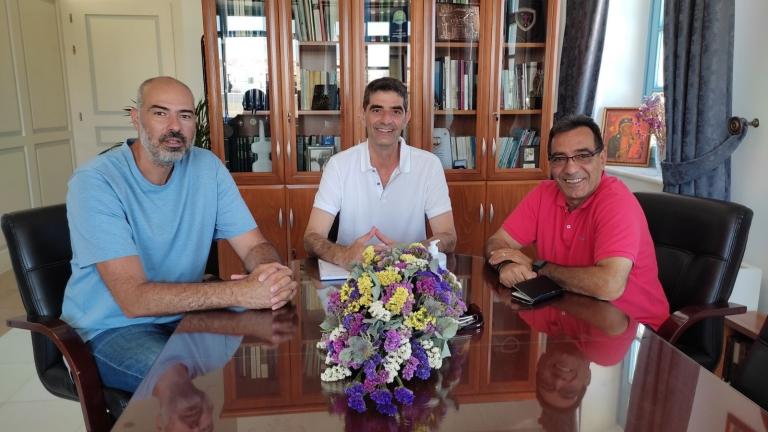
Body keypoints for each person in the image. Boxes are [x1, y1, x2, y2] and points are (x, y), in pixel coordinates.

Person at [61, 76, 297, 393]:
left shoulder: (208, 167)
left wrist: (270, 276)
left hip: (186, 315)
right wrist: (241, 293)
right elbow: (133, 300)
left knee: (269, 348)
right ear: (136, 118)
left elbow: (254, 245)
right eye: (160, 113)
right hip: (111, 328)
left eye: (185, 115)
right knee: (177, 383)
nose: (175, 127)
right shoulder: (95, 182)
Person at [485, 114, 669, 330]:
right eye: (559, 158)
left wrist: (538, 267)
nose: (570, 169)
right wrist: (507, 264)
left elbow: (609, 286)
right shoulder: (544, 193)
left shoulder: (617, 203)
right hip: (573, 317)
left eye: (582, 156)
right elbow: (496, 241)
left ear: (602, 159)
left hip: (637, 332)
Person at [304, 77, 456, 268]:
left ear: (406, 117)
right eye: (377, 110)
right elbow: (311, 237)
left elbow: (448, 236)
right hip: (351, 276)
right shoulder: (338, 165)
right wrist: (342, 255)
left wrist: (409, 252)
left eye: (396, 111)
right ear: (363, 115)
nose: (386, 120)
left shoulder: (429, 165)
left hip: (409, 275)